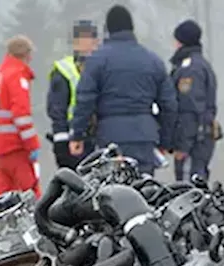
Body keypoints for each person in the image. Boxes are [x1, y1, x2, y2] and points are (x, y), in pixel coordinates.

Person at [68, 5, 176, 176]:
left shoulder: (97, 60)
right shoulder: (153, 60)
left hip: (110, 135)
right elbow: (169, 104)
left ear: (108, 30)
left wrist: (77, 135)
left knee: (113, 192)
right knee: (144, 191)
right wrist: (165, 140)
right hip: (144, 135)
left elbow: (85, 100)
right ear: (132, 28)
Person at [0, 36, 41, 196]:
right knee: (30, 195)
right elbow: (21, 114)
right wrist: (32, 144)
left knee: (4, 198)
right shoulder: (17, 75)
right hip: (15, 147)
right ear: (26, 54)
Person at [168, 20, 218, 182]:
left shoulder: (190, 69)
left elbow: (189, 109)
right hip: (199, 139)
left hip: (194, 142)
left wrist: (183, 145)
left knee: (187, 190)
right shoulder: (200, 65)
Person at [47, 20, 98, 170]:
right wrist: (61, 141)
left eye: (90, 38)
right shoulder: (64, 70)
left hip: (99, 136)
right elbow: (57, 109)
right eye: (82, 38)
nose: (86, 43)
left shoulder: (102, 66)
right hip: (73, 138)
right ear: (74, 42)